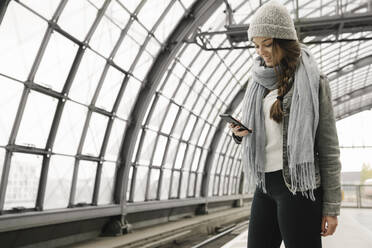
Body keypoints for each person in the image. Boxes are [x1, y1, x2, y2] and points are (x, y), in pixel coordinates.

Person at [228, 1, 341, 248]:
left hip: (298, 188)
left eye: (267, 44)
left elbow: (329, 149)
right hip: (264, 186)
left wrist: (332, 208)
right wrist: (239, 134)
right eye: (256, 46)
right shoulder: (258, 83)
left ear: (283, 40)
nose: (261, 51)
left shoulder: (314, 82)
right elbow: (261, 133)